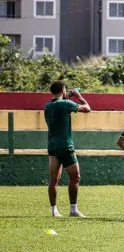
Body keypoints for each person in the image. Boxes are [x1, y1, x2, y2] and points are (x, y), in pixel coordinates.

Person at [44, 81, 92, 218]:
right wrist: (78, 96)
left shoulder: (47, 106)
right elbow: (87, 108)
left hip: (52, 145)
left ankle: (54, 210)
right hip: (65, 145)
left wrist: (66, 97)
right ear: (63, 89)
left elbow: (58, 105)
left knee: (53, 180)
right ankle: (73, 210)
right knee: (75, 177)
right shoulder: (66, 104)